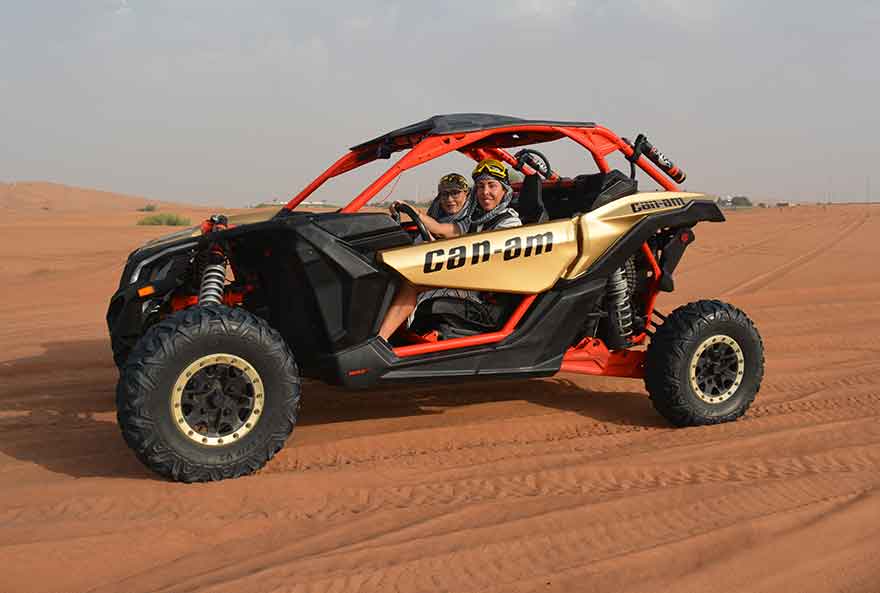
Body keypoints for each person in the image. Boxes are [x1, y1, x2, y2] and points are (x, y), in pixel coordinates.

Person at [378, 159, 522, 341]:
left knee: (412, 284)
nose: (485, 192)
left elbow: (488, 261)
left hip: (480, 287)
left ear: (504, 190)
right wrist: (413, 211)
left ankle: (381, 340)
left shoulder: (510, 223)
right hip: (463, 276)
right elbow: (442, 229)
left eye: (492, 186)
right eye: (480, 187)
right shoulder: (475, 219)